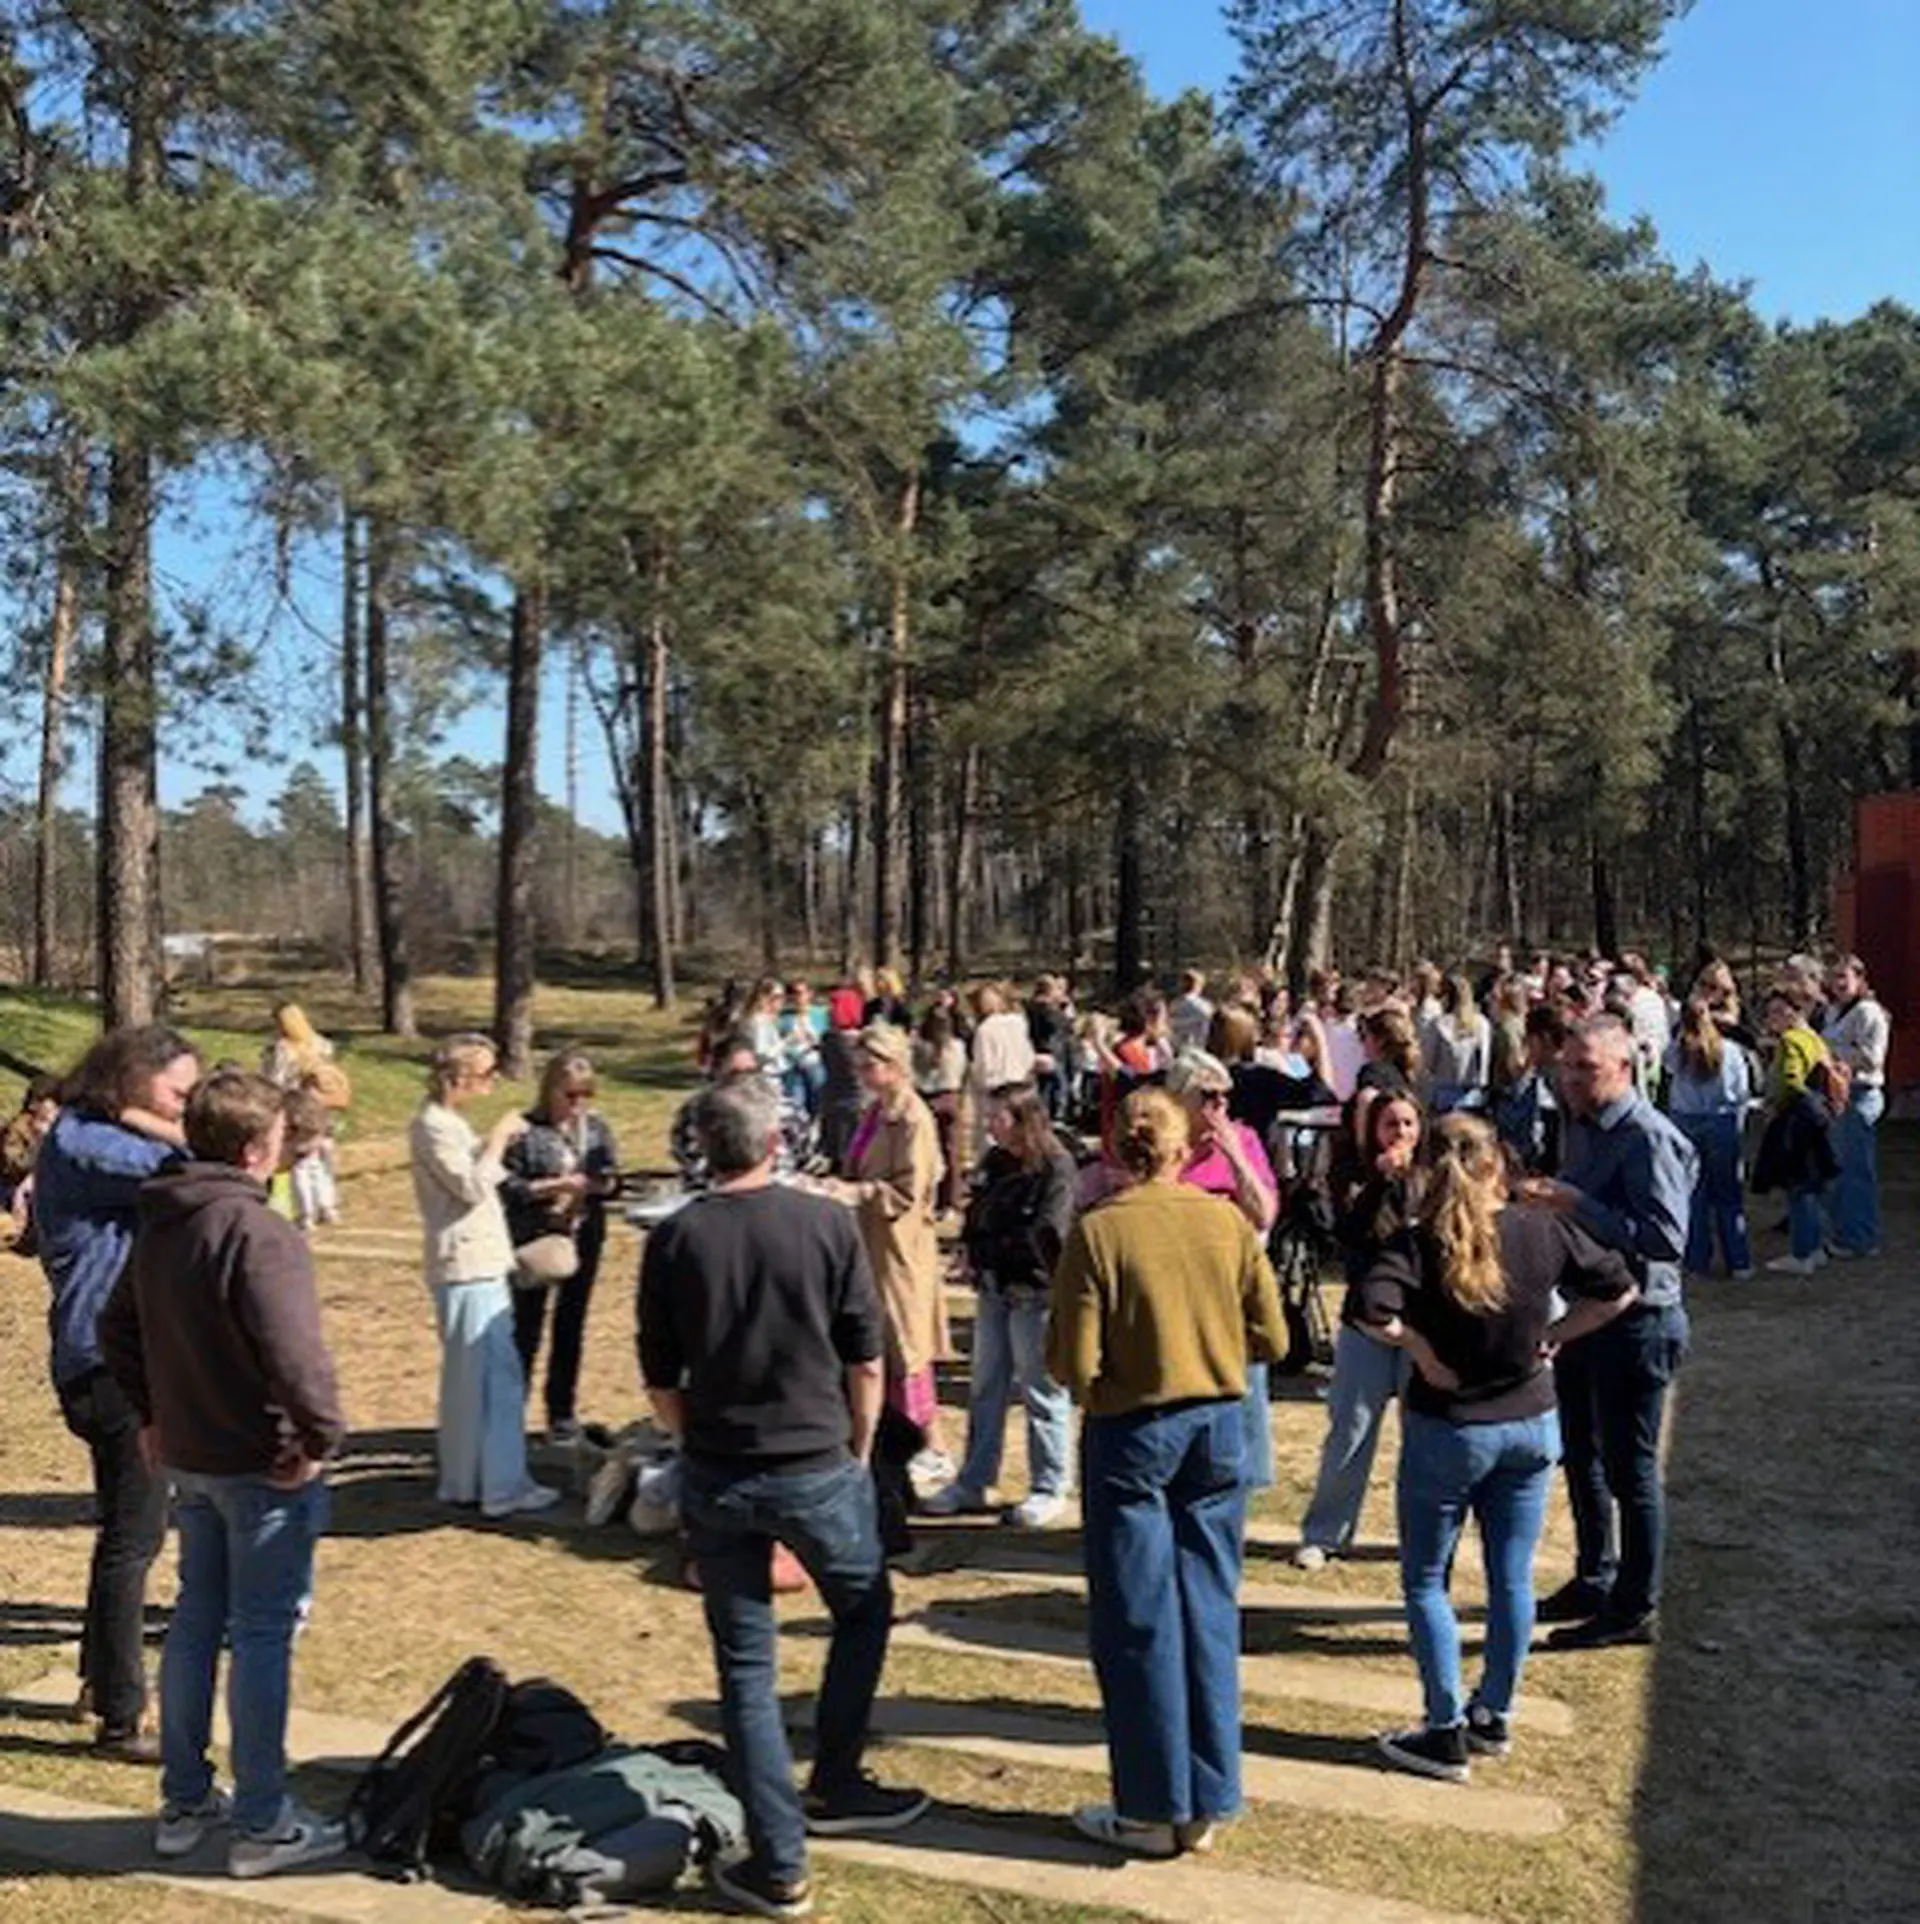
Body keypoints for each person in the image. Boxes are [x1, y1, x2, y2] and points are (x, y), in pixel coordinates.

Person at [640, 1078, 927, 1919]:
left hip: (722, 1470)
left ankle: (781, 1857)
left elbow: (660, 1377)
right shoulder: (823, 1224)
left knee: (747, 1667)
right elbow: (865, 1357)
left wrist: (692, 1439)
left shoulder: (678, 1237)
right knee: (862, 1613)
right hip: (814, 1462)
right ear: (774, 1143)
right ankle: (832, 1779)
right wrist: (860, 1448)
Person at [100, 1071, 347, 1877]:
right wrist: (319, 1436)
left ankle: (184, 1800)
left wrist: (153, 1414)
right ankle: (263, 1821)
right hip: (258, 1464)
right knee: (261, 1636)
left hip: (194, 1458)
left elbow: (115, 1326)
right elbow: (296, 1356)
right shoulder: (255, 1230)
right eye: (277, 1136)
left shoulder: (164, 1220)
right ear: (254, 1148)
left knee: (196, 1622)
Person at [1047, 1089, 1286, 1859]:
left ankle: (1151, 1808)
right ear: (1187, 1149)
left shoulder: (1100, 1230)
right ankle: (1208, 1799)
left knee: (1137, 1618)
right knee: (1209, 1609)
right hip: (1218, 1423)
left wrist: (1113, 1378)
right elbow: (1274, 1338)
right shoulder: (1226, 1222)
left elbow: (1072, 1361)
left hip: (1133, 1429)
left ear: (1117, 1149)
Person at [1364, 1117, 1638, 1781]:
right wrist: (1557, 1334)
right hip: (1530, 1423)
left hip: (1450, 1427)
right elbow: (1620, 1287)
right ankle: (1494, 1713)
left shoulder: (1418, 1242)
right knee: (1511, 1579)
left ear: (1426, 1169)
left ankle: (1444, 1728)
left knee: (1427, 1580)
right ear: (1497, 1165)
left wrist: (1422, 1351)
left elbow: (1372, 1310)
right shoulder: (1541, 1229)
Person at [34, 1024, 201, 1759]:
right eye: (177, 1092)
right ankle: (121, 1717)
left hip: (119, 1359)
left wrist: (146, 1114)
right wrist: (150, 1122)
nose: (186, 1105)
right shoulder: (88, 1141)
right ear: (132, 1079)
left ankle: (97, 1683)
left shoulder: (94, 1131)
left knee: (125, 1531)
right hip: (108, 1365)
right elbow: (196, 1165)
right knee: (135, 1537)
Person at [1523, 1016, 1694, 1648]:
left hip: (1638, 1323)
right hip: (1586, 1316)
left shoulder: (1648, 1137)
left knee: (1631, 1472)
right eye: (1566, 1066)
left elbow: (1665, 1240)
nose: (1570, 1078)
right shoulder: (1583, 1127)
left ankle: (1633, 1608)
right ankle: (1594, 1576)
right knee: (1582, 1456)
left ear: (1624, 1069)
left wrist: (1577, 1205)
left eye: (1585, 1068)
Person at [408, 1035, 557, 1518]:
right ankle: (501, 1486)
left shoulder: (448, 1124)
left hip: (476, 1263)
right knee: (494, 1380)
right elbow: (470, 1186)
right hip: (466, 1266)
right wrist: (496, 1140)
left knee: (474, 1383)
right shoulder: (432, 1126)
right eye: (486, 1073)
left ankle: (469, 1480)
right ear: (458, 1077)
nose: (492, 1082)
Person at [925, 1087, 1078, 1527]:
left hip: (1035, 1291)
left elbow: (1048, 1231)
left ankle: (1049, 1484)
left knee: (1041, 1390)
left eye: (999, 1117)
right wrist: (970, 1247)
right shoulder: (996, 1162)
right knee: (985, 1386)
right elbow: (977, 1211)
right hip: (994, 1288)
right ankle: (974, 1480)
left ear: (1023, 1119)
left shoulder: (1056, 1167)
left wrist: (996, 1249)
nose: (991, 1124)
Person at [1293, 1092, 1421, 1571]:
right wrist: (1379, 1184)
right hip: (1366, 1323)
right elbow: (1346, 1235)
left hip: (1419, 1326)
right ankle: (1326, 1533)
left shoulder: (1432, 1179)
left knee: (1422, 1436)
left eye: (1408, 1123)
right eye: (1390, 1124)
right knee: (1350, 1430)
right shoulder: (1352, 1175)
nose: (1400, 1133)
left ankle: (1420, 1535)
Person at [824, 1025, 950, 1486]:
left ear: (894, 1066)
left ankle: (931, 1445)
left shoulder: (913, 1119)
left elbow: (908, 1193)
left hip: (899, 1251)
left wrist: (856, 1193)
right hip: (869, 1245)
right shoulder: (875, 1112)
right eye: (857, 1065)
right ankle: (891, 1441)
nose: (860, 1074)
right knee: (878, 1344)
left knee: (905, 1348)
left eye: (868, 1066)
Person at [1166, 1050, 1280, 1491]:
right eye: (1208, 1096)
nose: (1219, 1106)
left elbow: (1264, 1213)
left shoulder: (1244, 1140)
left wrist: (1234, 1155)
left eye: (1224, 1097)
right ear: (1180, 1099)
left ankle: (1247, 1478)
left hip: (1233, 1282)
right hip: (1180, 1281)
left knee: (1246, 1378)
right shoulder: (1166, 1149)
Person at [503, 1050, 621, 1446]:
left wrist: (600, 1185)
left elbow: (612, 1178)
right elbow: (508, 1187)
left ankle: (561, 1411)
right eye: (570, 1095)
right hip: (536, 1238)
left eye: (585, 1095)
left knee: (571, 1324)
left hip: (583, 1235)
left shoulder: (596, 1129)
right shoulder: (525, 1131)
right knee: (525, 1325)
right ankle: (510, 1410)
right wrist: (552, 1188)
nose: (577, 1104)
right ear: (550, 1090)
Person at [1664, 999, 1754, 1282]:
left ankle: (1697, 1262)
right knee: (1729, 1196)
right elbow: (1741, 1090)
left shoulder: (1677, 1051)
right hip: (1721, 1121)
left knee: (1694, 1196)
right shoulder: (1730, 1050)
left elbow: (1666, 1069)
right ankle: (1739, 1261)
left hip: (1686, 1121)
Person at [1753, 988, 1840, 1277]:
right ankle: (1816, 1248)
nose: (1772, 1018)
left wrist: (1774, 1104)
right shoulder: (1814, 1038)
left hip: (1797, 1118)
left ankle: (1802, 1253)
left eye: (1778, 1011)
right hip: (1819, 1114)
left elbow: (1790, 1081)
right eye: (1769, 1013)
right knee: (1812, 1184)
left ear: (1795, 1011)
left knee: (1798, 1187)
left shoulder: (1790, 1040)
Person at [1822, 954, 1889, 1259]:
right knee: (1839, 1169)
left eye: (1843, 977)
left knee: (1856, 1171)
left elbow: (1872, 1057)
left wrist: (1834, 1054)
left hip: (1860, 1094)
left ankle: (1860, 1238)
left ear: (1859, 979)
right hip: (1837, 1093)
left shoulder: (1867, 1012)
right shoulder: (1834, 1011)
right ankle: (1842, 1232)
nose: (1838, 984)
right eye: (1833, 977)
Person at [258, 1003, 344, 1229]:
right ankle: (328, 1206)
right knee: (321, 1160)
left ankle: (306, 1213)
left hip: (295, 1107)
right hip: (322, 1108)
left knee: (300, 1163)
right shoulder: (322, 1045)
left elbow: (274, 1080)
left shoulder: (282, 1049)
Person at [1492, 1003, 1567, 1178]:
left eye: (1529, 1040)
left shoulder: (1559, 1079)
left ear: (1544, 1039)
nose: (1526, 1047)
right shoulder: (1550, 1073)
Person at [966, 984, 1037, 1163]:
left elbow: (984, 1066)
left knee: (997, 1137)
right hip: (1022, 1085)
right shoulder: (1019, 1023)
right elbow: (1028, 1056)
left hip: (996, 1088)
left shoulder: (984, 1030)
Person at [911, 1008, 967, 1219]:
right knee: (952, 1152)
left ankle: (927, 1197)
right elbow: (962, 1073)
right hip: (950, 1097)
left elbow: (914, 1074)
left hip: (926, 1098)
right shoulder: (957, 1046)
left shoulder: (918, 1047)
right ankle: (951, 1201)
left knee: (925, 1152)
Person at [1, 1072, 60, 1249]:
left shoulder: (58, 1131)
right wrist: (39, 1146)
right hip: (8, 1183)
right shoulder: (19, 1128)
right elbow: (15, 1163)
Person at [1420, 974, 1489, 1115]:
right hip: (1474, 1097)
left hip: (1443, 1097)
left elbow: (1428, 1061)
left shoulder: (1438, 1025)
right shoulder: (1482, 1023)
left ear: (1445, 997)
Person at [1168, 970, 1213, 1054]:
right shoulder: (1204, 1006)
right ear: (1198, 986)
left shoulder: (1174, 1004)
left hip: (1176, 1049)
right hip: (1198, 1050)